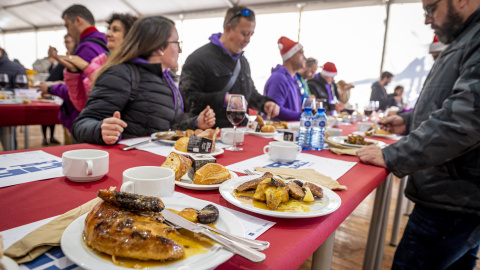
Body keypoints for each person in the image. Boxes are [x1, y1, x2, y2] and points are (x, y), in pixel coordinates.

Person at [357, 0, 480, 268]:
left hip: (453, 200)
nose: (426, 20)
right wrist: (408, 121)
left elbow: (466, 119)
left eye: (430, 8)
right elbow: (449, 104)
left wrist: (393, 155)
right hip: (452, 194)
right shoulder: (467, 38)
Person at [72, 16, 216, 145]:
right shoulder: (121, 74)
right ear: (160, 48)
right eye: (176, 43)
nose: (180, 50)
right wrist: (100, 130)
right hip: (129, 167)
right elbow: (81, 124)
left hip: (155, 165)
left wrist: (196, 122)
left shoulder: (167, 79)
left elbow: (166, 130)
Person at [179, 6, 279, 127]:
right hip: (212, 134)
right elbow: (187, 99)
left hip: (241, 132)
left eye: (251, 35)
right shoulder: (198, 58)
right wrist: (224, 99)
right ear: (228, 29)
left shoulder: (243, 61)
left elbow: (250, 94)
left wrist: (265, 104)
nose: (248, 40)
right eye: (245, 34)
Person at [37, 4, 108, 144]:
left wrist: (51, 88)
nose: (68, 31)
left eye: (67, 25)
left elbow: (82, 90)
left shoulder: (87, 47)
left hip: (85, 119)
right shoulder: (100, 44)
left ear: (78, 20)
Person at [61, 13, 137, 111]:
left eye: (115, 30)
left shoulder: (136, 63)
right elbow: (82, 103)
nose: (108, 34)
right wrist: (73, 72)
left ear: (130, 35)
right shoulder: (102, 60)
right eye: (109, 29)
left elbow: (115, 85)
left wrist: (86, 67)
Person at [263, 36, 306, 121]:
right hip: (279, 132)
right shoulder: (279, 79)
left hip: (290, 130)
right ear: (291, 56)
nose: (305, 57)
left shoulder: (295, 78)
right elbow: (275, 109)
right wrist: (302, 116)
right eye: (301, 53)